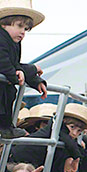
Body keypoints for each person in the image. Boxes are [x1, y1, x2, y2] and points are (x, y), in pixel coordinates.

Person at [0, 2, 47, 139]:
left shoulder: (12, 42)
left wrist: (34, 78)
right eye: (19, 26)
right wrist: (28, 71)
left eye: (26, 29)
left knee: (8, 95)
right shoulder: (2, 40)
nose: (23, 32)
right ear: (4, 23)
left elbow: (15, 66)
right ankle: (5, 128)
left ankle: (6, 127)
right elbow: (5, 64)